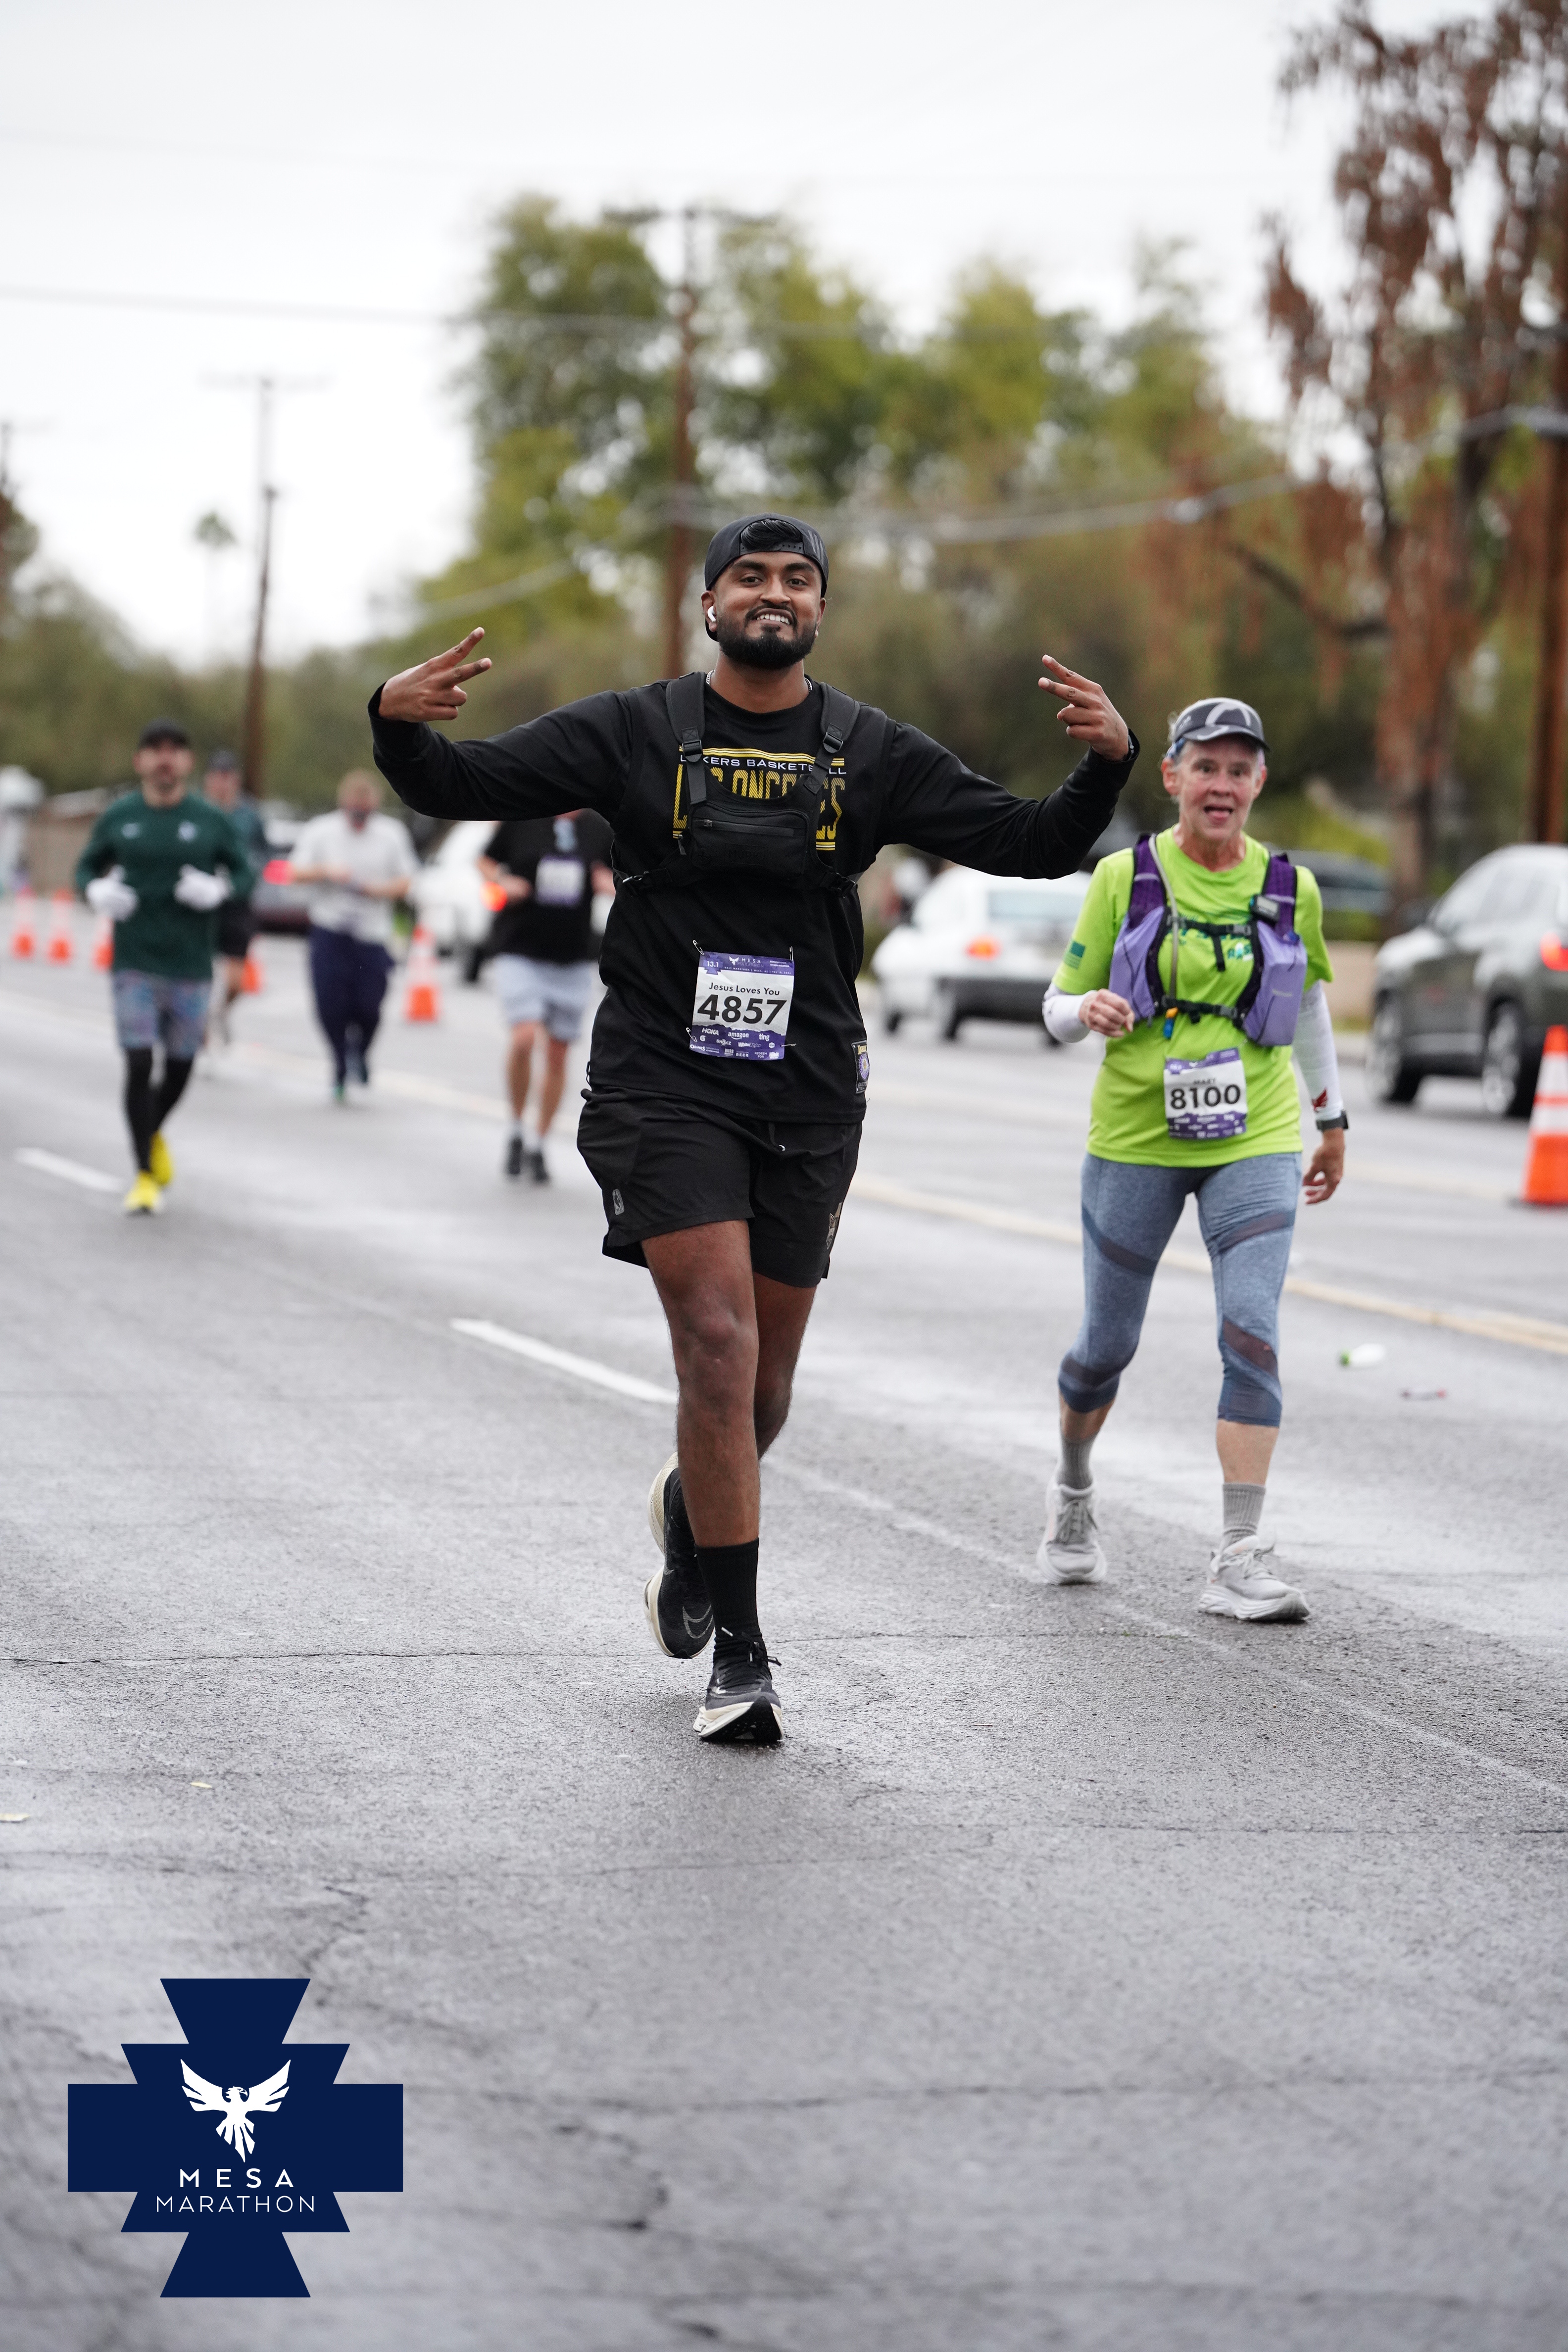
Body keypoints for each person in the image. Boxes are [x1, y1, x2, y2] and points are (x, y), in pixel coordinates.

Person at [369, 511, 1137, 1745]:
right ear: (709, 604)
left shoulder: (869, 749)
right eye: (748, 576)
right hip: (662, 1078)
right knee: (717, 1348)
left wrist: (1108, 765)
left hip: (809, 1088)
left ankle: (694, 1520)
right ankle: (741, 1653)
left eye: (796, 579)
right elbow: (460, 784)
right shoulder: (634, 729)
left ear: (820, 609)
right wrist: (396, 724)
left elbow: (1032, 841)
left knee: (763, 1391)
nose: (772, 594)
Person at [1038, 696, 1347, 1622]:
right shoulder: (1122, 877)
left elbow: (1308, 1007)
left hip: (1256, 1133)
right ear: (1172, 776)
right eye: (1204, 766)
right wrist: (1086, 1008)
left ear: (1258, 782)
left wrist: (1331, 1120)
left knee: (1252, 1330)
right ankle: (1073, 1488)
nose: (1221, 784)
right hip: (1137, 1136)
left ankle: (1238, 1553)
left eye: (1238, 769)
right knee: (1106, 1347)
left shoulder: (1290, 887)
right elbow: (1055, 1008)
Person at [75, 718, 255, 1214]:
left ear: (187, 762)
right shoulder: (120, 817)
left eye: (174, 750)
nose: (164, 758)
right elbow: (86, 867)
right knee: (138, 1063)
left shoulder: (209, 819)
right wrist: (95, 890)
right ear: (140, 761)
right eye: (155, 750)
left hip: (190, 964)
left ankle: (149, 1131)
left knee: (180, 1068)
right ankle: (143, 1174)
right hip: (134, 960)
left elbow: (245, 872)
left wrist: (220, 889)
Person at [477, 809, 614, 1182]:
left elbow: (620, 876)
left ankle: (539, 1143)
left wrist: (607, 882)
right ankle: (515, 1128)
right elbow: (485, 861)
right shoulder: (525, 817)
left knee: (557, 1053)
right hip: (520, 948)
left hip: (571, 956)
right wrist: (503, 881)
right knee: (524, 1037)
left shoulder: (598, 828)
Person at [288, 770, 418, 1100]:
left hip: (371, 934)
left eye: (365, 809)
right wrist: (326, 871)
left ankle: (361, 1051)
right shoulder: (322, 831)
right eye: (354, 809)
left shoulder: (391, 834)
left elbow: (407, 881)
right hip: (330, 930)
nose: (359, 816)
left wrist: (376, 890)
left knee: (370, 1006)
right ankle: (340, 1062)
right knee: (330, 1004)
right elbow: (294, 872)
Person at [200, 748, 268, 1045]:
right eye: (218, 777)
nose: (222, 783)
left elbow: (264, 852)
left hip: (237, 902)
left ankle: (221, 1012)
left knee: (236, 981)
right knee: (200, 972)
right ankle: (199, 1022)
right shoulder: (197, 810)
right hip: (202, 900)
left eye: (228, 777)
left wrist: (248, 874)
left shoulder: (249, 815)